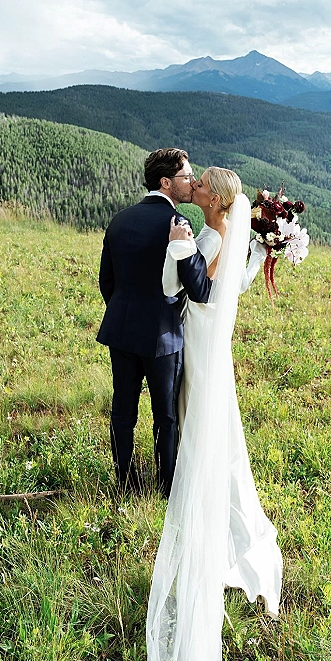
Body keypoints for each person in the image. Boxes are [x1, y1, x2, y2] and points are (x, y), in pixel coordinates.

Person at [147, 167, 283, 661]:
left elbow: (183, 291)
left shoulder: (210, 239)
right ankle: (241, 535)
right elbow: (237, 282)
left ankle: (222, 535)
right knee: (221, 443)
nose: (194, 187)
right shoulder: (232, 242)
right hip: (213, 349)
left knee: (206, 438)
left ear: (219, 200)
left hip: (202, 350)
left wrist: (178, 253)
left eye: (202, 184)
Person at [96, 148, 211, 497]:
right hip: (163, 337)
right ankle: (165, 488)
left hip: (121, 330)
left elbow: (107, 280)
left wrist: (125, 312)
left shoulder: (119, 219)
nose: (192, 182)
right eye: (186, 177)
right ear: (166, 182)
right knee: (165, 416)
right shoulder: (178, 225)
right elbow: (195, 288)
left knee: (123, 410)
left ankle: (125, 482)